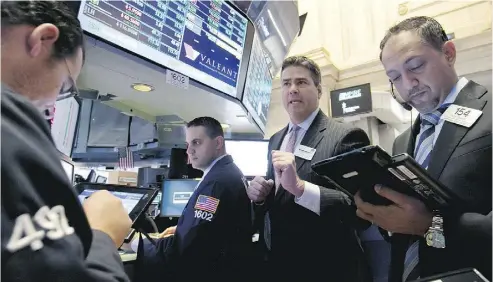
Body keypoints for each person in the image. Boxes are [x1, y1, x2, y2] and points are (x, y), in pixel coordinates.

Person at [1, 1, 132, 281]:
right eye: (64, 86)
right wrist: (102, 235)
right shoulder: (10, 118)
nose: (51, 104)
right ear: (43, 39)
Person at [354, 16, 492, 282]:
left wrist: (432, 226)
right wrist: (385, 217)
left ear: (448, 53)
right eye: (394, 78)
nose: (407, 84)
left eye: (415, 66)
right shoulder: (402, 140)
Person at [246, 56, 372, 282]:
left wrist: (301, 188)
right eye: (286, 83)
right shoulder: (275, 140)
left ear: (319, 90)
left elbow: (359, 211)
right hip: (279, 264)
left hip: (328, 267)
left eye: (301, 82)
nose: (292, 89)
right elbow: (277, 198)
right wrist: (260, 196)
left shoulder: (345, 136)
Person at [134, 117, 254, 282]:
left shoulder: (216, 182)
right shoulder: (228, 172)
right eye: (188, 144)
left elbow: (188, 247)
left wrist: (137, 245)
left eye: (197, 142)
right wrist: (183, 228)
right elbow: (211, 229)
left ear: (218, 143)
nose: (189, 151)